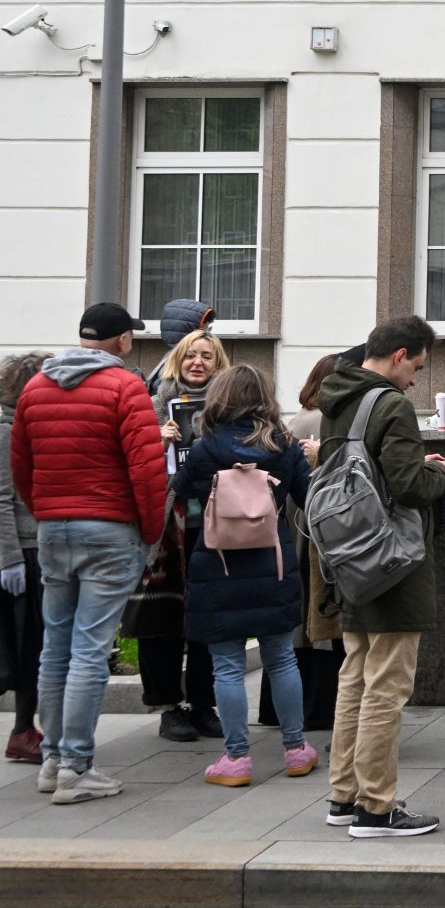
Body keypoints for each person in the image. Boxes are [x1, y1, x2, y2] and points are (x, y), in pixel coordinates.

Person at [10, 303, 168, 804]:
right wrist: (149, 532)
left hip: (54, 529)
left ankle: (54, 759)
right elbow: (147, 471)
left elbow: (22, 465)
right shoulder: (126, 388)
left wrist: (46, 514)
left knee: (54, 647)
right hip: (109, 528)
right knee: (89, 651)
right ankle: (77, 767)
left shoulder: (35, 388)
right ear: (122, 341)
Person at [317, 315, 445, 839]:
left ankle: (343, 795)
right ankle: (377, 807)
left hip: (350, 557)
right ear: (400, 354)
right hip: (391, 560)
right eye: (416, 366)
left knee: (354, 677)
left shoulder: (338, 397)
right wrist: (437, 471)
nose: (415, 379)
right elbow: (409, 486)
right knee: (387, 688)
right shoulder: (390, 404)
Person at [178, 364, 317, 787]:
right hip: (270, 564)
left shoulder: (203, 450)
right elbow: (307, 495)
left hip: (217, 565)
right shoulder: (284, 445)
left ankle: (236, 759)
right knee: (282, 657)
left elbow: (182, 491)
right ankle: (295, 750)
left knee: (226, 665)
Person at [135, 328, 230, 743]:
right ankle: (169, 707)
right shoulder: (152, 405)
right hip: (166, 530)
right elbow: (130, 462)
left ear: (218, 363)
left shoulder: (230, 407)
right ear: (177, 360)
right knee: (163, 617)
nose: (198, 363)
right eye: (191, 355)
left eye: (207, 357)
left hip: (216, 524)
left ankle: (204, 704)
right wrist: (157, 441)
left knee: (210, 617)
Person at [266, 352, 342, 732]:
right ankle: (314, 706)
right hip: (311, 525)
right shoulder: (322, 421)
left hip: (294, 520)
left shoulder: (299, 418)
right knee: (314, 612)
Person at [0, 352, 52, 764]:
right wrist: (10, 559)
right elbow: (2, 499)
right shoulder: (6, 429)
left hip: (30, 548)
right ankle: (21, 730)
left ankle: (24, 730)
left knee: (29, 646)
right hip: (21, 552)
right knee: (21, 648)